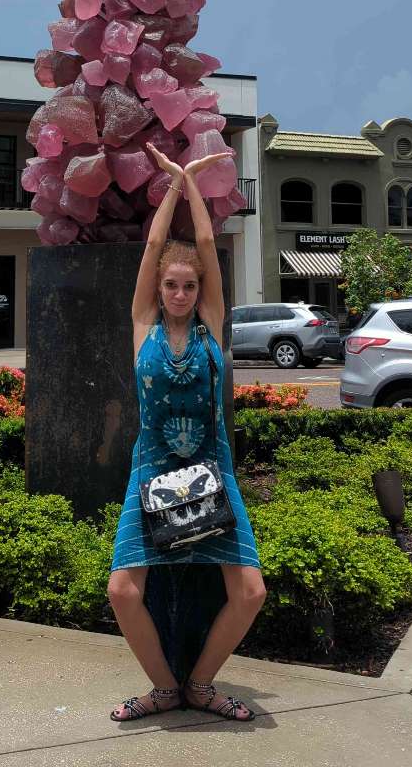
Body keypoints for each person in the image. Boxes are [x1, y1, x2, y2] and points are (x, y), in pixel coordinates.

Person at [108, 144, 266, 723]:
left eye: (188, 287)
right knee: (123, 591)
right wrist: (171, 183)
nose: (179, 293)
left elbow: (205, 249)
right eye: (171, 285)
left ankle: (201, 685)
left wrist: (194, 183)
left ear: (200, 292)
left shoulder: (212, 328)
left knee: (250, 592)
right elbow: (154, 248)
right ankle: (163, 690)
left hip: (213, 467)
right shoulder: (142, 326)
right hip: (152, 468)